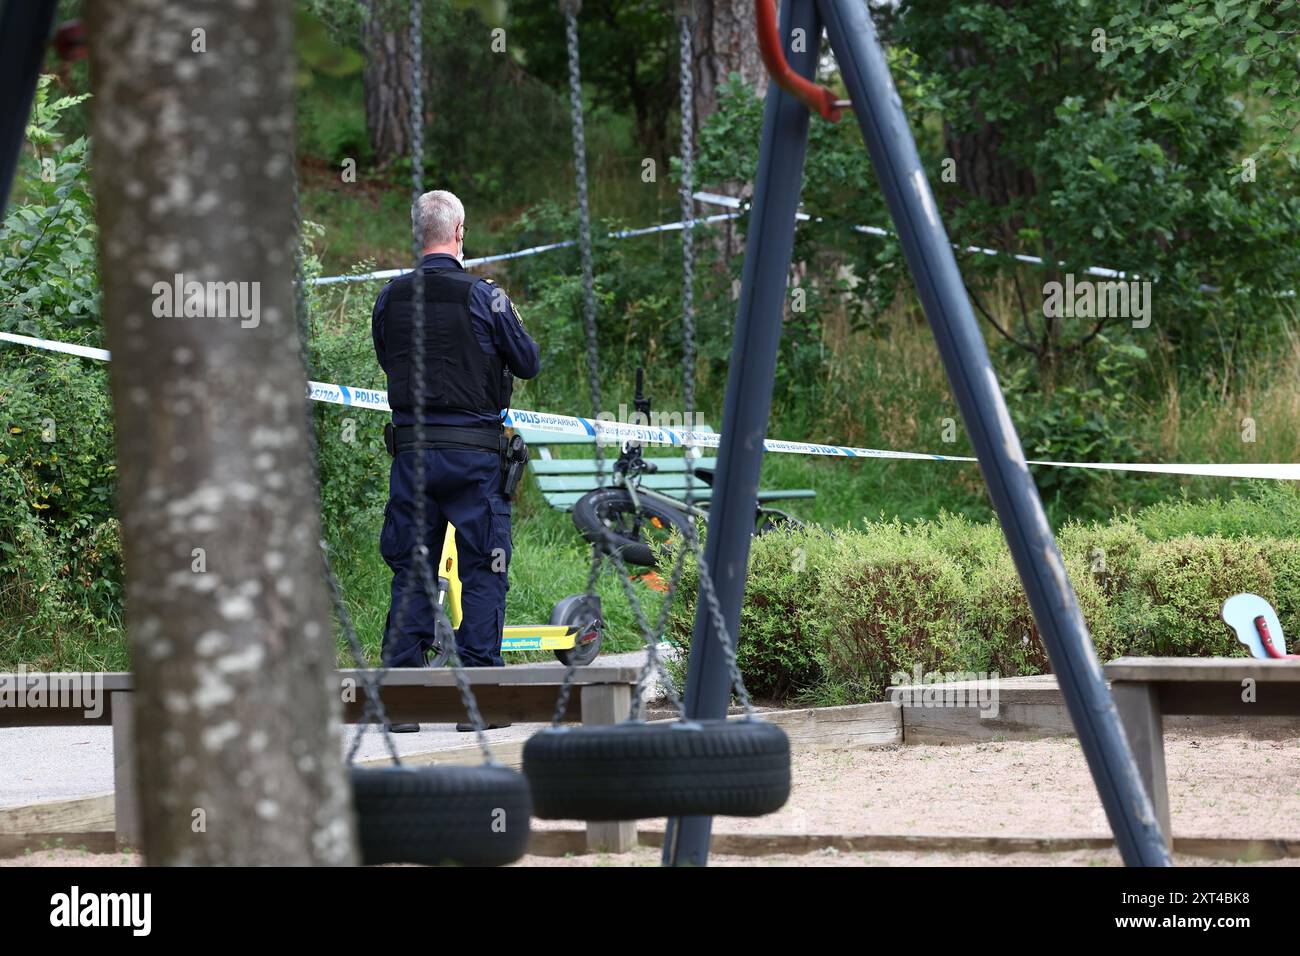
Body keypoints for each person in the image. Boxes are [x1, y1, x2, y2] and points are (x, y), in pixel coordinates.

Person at [371, 189, 539, 730]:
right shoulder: (486, 297)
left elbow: (385, 360)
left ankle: (400, 700)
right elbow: (528, 362)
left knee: (412, 567)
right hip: (473, 460)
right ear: (460, 231)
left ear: (416, 233)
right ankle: (479, 700)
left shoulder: (390, 298)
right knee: (484, 568)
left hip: (414, 455)